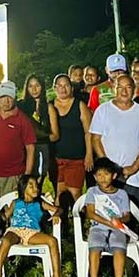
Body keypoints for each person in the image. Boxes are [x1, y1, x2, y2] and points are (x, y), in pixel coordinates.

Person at [0, 174, 66, 277]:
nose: (35, 188)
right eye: (31, 186)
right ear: (23, 188)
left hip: (32, 232)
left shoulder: (40, 203)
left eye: (36, 185)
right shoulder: (16, 203)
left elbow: (59, 209)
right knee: (5, 241)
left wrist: (57, 214)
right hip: (15, 230)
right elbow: (5, 216)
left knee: (52, 240)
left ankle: (56, 276)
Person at [89, 74, 139, 213]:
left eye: (128, 87)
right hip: (109, 179)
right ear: (114, 88)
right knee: (109, 219)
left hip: (135, 178)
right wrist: (109, 168)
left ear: (134, 89)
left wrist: (134, 167)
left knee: (136, 220)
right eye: (120, 87)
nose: (124, 91)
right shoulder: (102, 110)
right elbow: (95, 139)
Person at [84, 158, 133, 277]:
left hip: (117, 228)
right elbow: (90, 213)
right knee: (94, 250)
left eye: (106, 174)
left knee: (119, 251)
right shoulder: (92, 191)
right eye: (99, 175)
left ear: (113, 176)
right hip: (98, 227)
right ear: (94, 177)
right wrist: (107, 222)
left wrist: (119, 221)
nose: (102, 178)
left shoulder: (122, 194)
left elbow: (127, 215)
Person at [0, 81, 36, 205]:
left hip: (13, 177)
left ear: (15, 98)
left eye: (9, 97)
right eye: (3, 97)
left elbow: (30, 149)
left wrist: (26, 175)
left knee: (11, 211)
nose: (6, 101)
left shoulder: (22, 120)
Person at [51, 74, 94, 203]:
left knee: (75, 193)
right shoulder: (50, 106)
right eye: (60, 86)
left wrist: (89, 154)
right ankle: (60, 222)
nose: (63, 89)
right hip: (57, 158)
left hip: (76, 158)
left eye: (66, 85)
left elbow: (88, 132)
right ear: (54, 88)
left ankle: (78, 220)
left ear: (71, 88)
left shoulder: (80, 105)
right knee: (59, 193)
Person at [17, 73, 59, 189]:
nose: (34, 89)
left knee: (36, 184)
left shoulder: (48, 107)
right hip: (23, 149)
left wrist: (38, 137)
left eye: (37, 85)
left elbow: (55, 135)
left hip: (41, 149)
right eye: (30, 86)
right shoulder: (21, 106)